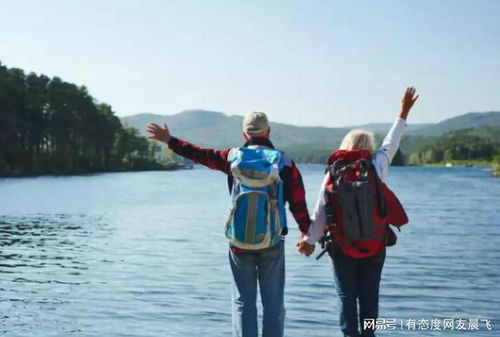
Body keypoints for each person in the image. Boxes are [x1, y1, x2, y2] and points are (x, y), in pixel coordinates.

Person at [146, 111, 312, 337]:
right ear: (268, 131)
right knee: (273, 304)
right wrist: (306, 234)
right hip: (272, 241)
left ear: (245, 134)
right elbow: (298, 203)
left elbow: (200, 154)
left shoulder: (232, 157)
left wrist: (170, 141)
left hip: (239, 241)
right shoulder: (284, 162)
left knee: (243, 302)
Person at [297, 87, 419, 337]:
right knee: (369, 298)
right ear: (369, 147)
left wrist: (308, 241)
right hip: (374, 245)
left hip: (341, 247)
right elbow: (391, 143)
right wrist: (403, 113)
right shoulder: (375, 166)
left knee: (346, 298)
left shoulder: (334, 172)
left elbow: (321, 213)